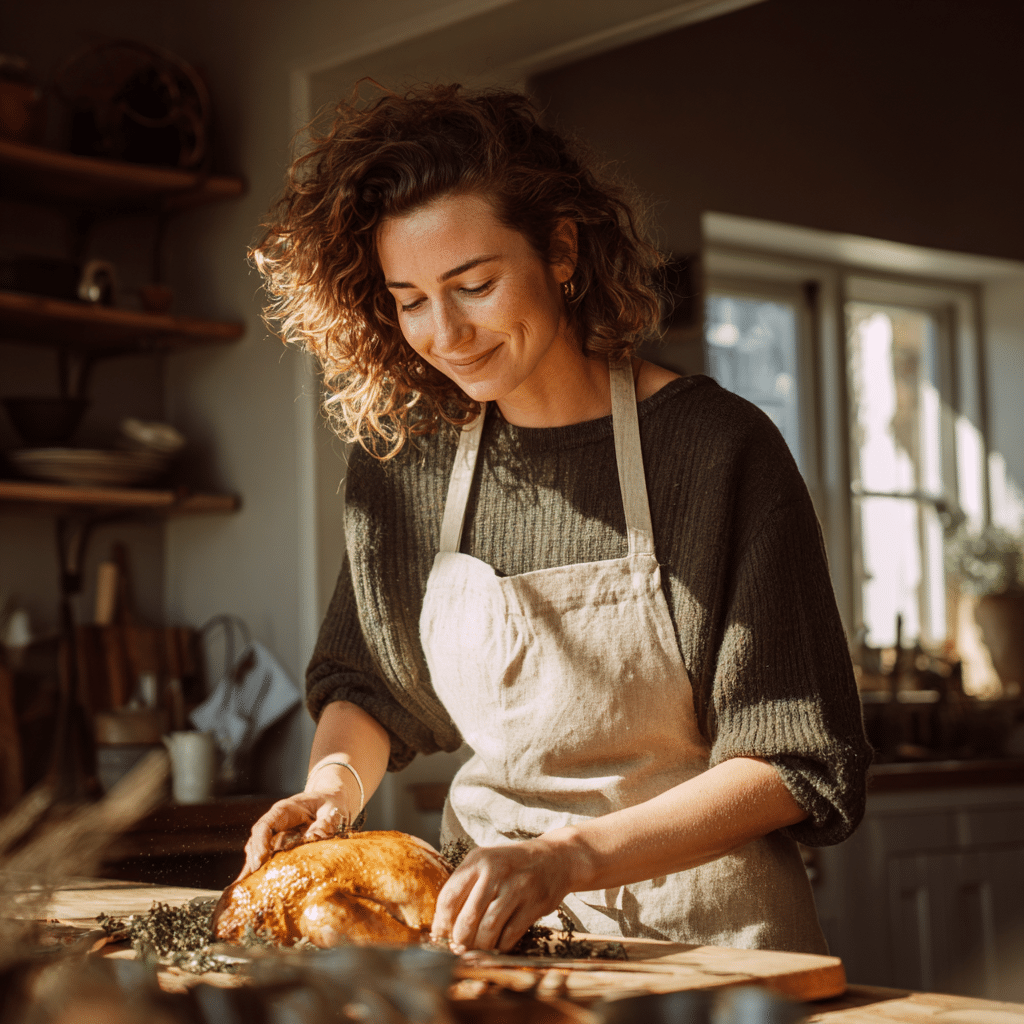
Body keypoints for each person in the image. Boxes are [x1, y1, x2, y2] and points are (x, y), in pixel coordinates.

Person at [241, 83, 872, 956]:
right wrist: (334, 786)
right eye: (410, 297)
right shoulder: (408, 463)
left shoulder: (718, 449)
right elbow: (369, 687)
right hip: (493, 940)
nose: (446, 333)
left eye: (475, 284)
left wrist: (568, 860)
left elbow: (796, 763)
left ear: (562, 250)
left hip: (712, 951)